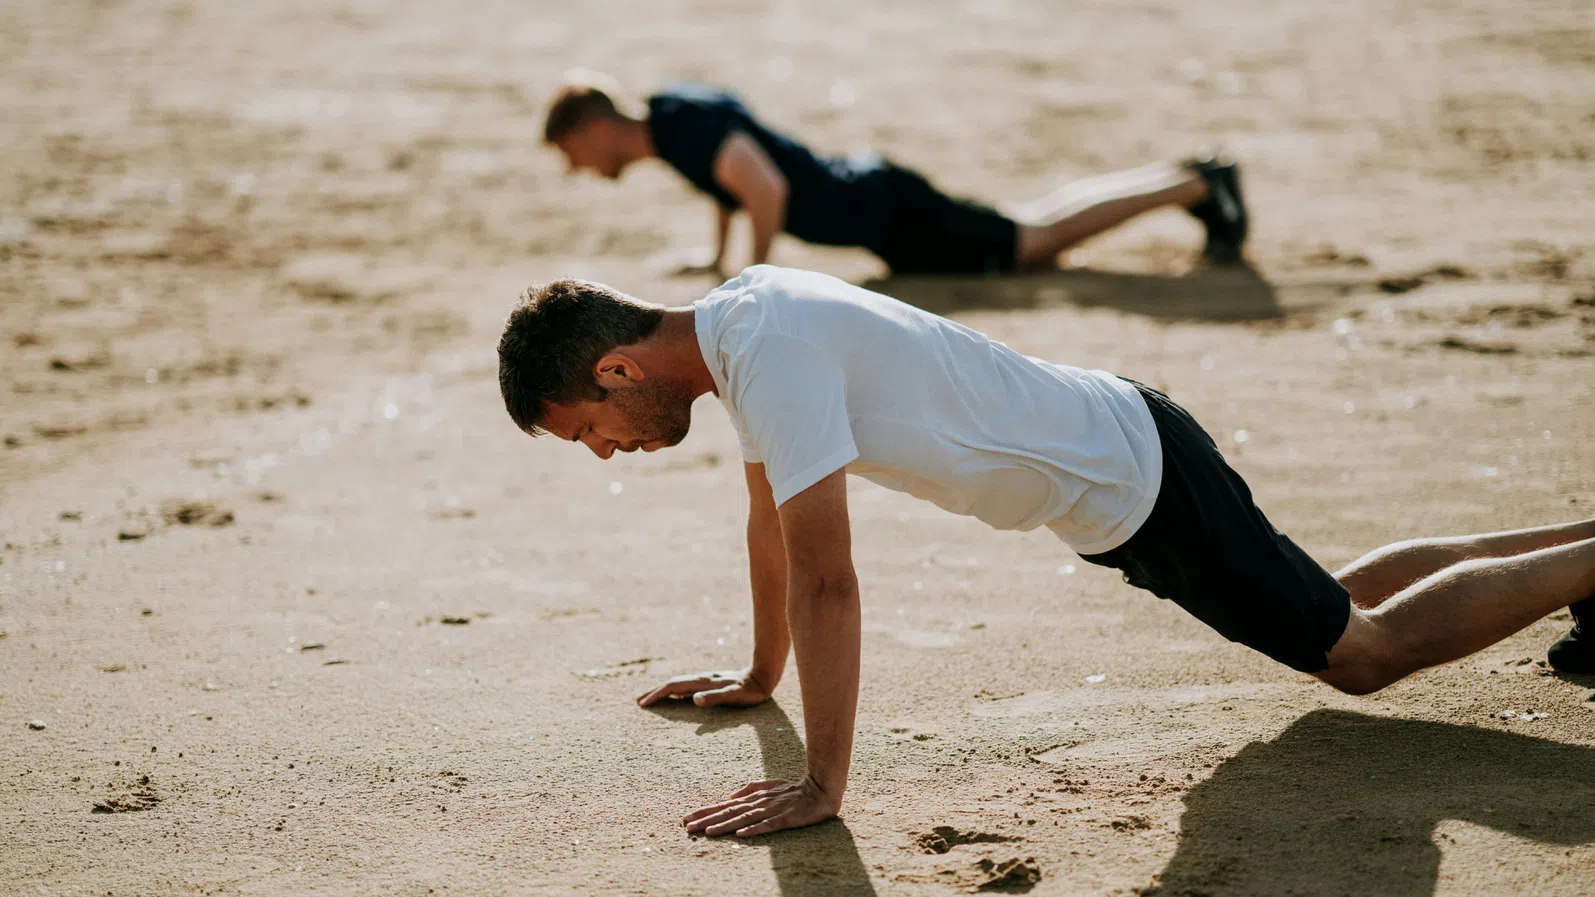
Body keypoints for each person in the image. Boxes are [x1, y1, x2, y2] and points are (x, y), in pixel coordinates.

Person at [496, 265, 1594, 838]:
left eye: (586, 430)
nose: (603, 453)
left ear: (616, 372)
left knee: (1358, 654)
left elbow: (828, 580)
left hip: (1133, 481)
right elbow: (768, 524)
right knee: (1336, 599)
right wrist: (757, 673)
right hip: (1125, 453)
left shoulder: (766, 355)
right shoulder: (743, 324)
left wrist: (822, 783)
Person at [542, 75, 1248, 276]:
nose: (580, 168)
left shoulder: (680, 131)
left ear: (592, 127)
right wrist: (718, 256)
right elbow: (732, 185)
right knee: (1029, 225)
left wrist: (753, 278)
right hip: (878, 202)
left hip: (884, 212)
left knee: (1033, 242)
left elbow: (765, 188)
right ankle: (1186, 178)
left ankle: (1195, 185)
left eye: (572, 154)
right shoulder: (671, 119)